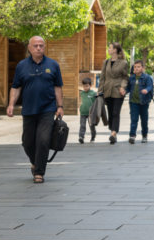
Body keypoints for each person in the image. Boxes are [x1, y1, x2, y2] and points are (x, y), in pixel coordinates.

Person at [6, 36, 64, 184]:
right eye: (36, 46)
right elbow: (16, 87)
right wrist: (11, 104)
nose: (39, 48)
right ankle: (34, 162)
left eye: (41, 45)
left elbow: (58, 87)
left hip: (48, 109)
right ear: (29, 48)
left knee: (43, 141)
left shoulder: (53, 65)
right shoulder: (21, 66)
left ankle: (39, 172)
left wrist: (60, 106)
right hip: (29, 109)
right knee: (27, 142)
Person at [100, 42, 129, 145]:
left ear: (115, 50)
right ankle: (113, 130)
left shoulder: (123, 63)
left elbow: (125, 77)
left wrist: (123, 87)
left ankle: (113, 133)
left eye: (110, 48)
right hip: (107, 90)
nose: (109, 49)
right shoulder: (106, 62)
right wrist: (100, 91)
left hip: (118, 90)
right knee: (111, 112)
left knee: (116, 112)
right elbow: (102, 78)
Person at [126, 59, 154, 144]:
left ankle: (144, 136)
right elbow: (128, 88)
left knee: (144, 120)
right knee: (134, 119)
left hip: (144, 102)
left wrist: (146, 89)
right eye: (135, 67)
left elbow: (150, 86)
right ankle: (132, 136)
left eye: (138, 67)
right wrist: (124, 91)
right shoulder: (131, 78)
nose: (136, 68)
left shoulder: (147, 77)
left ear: (142, 68)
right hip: (133, 102)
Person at [78, 77, 97, 143]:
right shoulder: (82, 93)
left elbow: (96, 103)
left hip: (90, 113)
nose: (85, 88)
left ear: (90, 86)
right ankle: (81, 137)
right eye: (84, 86)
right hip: (83, 112)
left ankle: (93, 137)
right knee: (82, 125)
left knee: (91, 126)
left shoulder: (93, 93)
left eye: (87, 86)